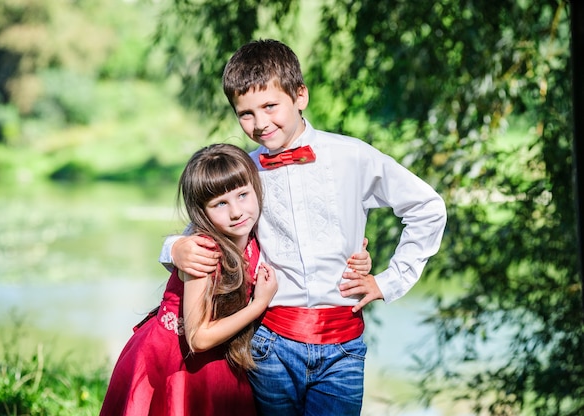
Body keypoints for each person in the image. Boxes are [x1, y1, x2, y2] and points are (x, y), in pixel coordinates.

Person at [160, 39, 447, 415]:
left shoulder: (351, 156)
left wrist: (387, 281)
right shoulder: (246, 170)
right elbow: (206, 226)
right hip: (270, 344)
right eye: (245, 113)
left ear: (300, 96)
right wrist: (174, 249)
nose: (260, 123)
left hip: (342, 346)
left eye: (270, 106)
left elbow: (427, 207)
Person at [100, 143, 278, 416]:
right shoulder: (203, 252)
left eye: (243, 195)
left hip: (220, 359)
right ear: (201, 211)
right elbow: (198, 338)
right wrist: (258, 304)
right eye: (220, 203)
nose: (236, 211)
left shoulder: (252, 238)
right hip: (175, 362)